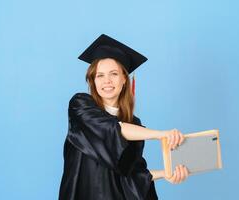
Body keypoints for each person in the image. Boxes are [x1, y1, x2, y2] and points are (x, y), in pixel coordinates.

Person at [59, 34, 189, 200]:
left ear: (124, 80)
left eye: (113, 74)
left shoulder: (134, 125)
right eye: (100, 75)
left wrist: (167, 174)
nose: (106, 81)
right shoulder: (80, 105)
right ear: (93, 80)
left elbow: (133, 173)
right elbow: (112, 129)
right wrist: (161, 134)